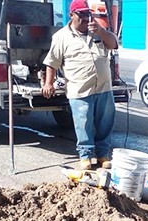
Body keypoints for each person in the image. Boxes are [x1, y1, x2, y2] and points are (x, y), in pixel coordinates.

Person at [42, 0, 117, 171]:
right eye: (81, 14)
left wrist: (101, 31)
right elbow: (52, 63)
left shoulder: (98, 31)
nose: (85, 18)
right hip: (80, 89)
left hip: (103, 88)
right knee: (83, 124)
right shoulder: (61, 36)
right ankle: (86, 156)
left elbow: (113, 44)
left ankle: (103, 154)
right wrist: (49, 83)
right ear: (71, 15)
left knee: (105, 122)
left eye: (87, 14)